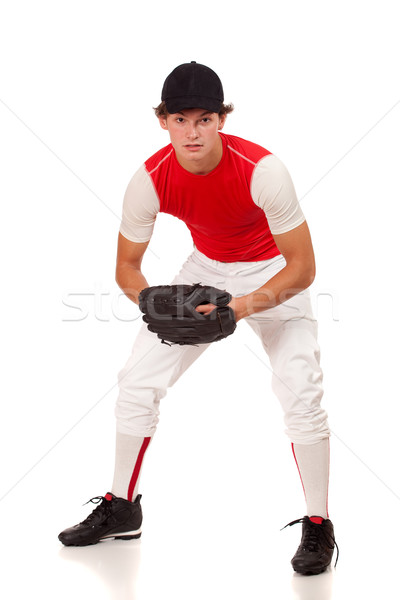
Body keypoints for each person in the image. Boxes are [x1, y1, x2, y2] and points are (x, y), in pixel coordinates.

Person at [58, 61, 338, 575]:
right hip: (206, 267)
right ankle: (122, 506)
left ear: (221, 120)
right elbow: (126, 268)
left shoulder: (263, 170)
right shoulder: (150, 179)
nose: (193, 131)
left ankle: (319, 523)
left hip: (273, 268)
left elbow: (303, 267)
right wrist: (152, 303)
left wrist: (236, 308)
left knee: (301, 390)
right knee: (136, 382)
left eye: (204, 119)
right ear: (162, 121)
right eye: (180, 119)